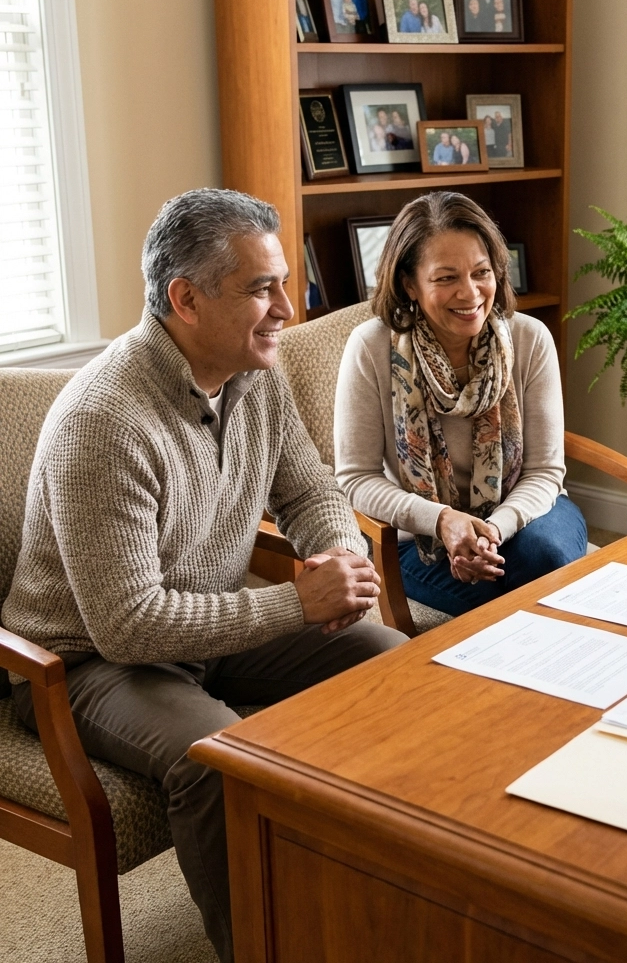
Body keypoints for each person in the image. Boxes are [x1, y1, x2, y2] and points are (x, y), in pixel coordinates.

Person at [1, 189, 408, 963]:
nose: (289, 307)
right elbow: (129, 625)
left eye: (284, 282)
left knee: (392, 664)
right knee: (220, 763)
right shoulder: (106, 421)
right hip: (87, 665)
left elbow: (310, 487)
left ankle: (368, 892)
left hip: (209, 620)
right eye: (262, 288)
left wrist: (340, 561)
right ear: (185, 299)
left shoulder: (254, 369)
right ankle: (261, 947)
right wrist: (295, 603)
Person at [334, 191, 588, 618]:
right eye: (446, 278)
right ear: (409, 284)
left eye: (481, 272)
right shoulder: (370, 347)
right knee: (515, 603)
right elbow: (356, 478)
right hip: (421, 535)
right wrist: (443, 521)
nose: (470, 293)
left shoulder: (530, 339)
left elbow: (545, 471)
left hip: (525, 514)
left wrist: (491, 530)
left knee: (542, 564)